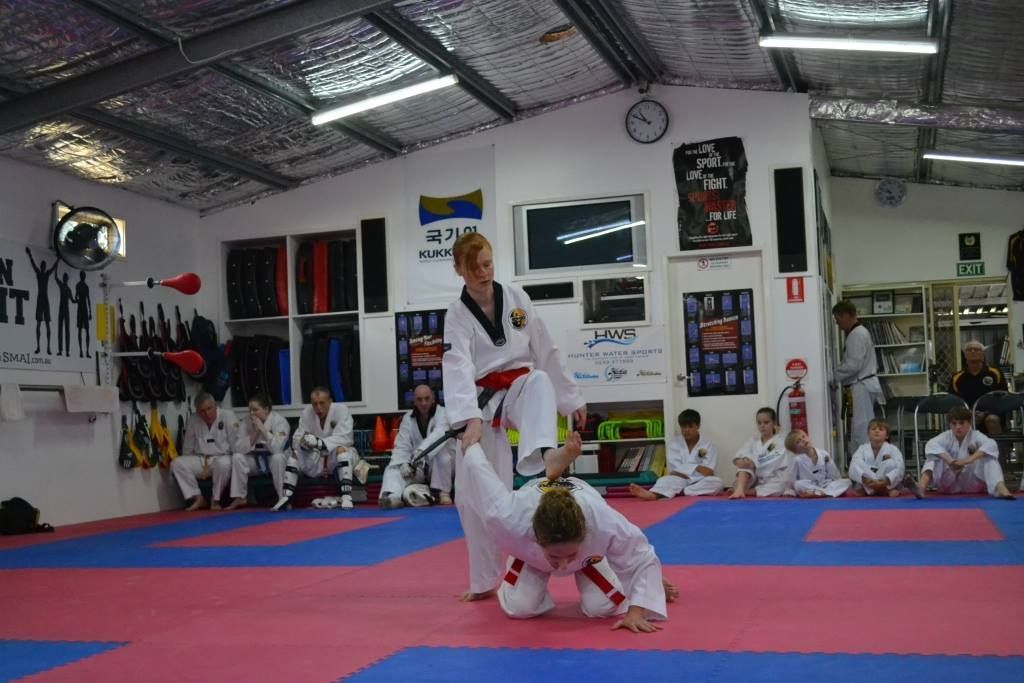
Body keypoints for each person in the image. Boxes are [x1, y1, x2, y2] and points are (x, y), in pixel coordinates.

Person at [442, 232, 586, 602]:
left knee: (538, 379)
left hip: (520, 391)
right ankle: (484, 580)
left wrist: (570, 399)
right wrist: (468, 418)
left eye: (487, 264)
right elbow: (456, 366)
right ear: (459, 269)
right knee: (473, 495)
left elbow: (545, 348)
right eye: (474, 268)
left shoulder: (517, 299)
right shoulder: (457, 316)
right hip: (482, 403)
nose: (483, 273)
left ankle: (540, 457)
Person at [459, 434, 677, 632]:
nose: (563, 566)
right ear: (537, 538)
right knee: (520, 608)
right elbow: (481, 473)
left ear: (585, 534)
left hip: (588, 556)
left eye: (569, 555)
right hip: (530, 553)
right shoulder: (508, 517)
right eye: (555, 556)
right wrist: (471, 443)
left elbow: (640, 555)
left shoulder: (601, 521)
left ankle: (623, 577)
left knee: (602, 606)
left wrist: (638, 608)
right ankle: (546, 554)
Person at [273, 386, 364, 511]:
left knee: (341, 450)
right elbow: (297, 439)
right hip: (317, 459)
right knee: (295, 454)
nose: (318, 408)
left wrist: (318, 442)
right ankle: (286, 497)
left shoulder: (341, 410)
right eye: (315, 404)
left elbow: (345, 438)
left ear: (330, 401)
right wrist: (304, 443)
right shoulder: (307, 413)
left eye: (322, 403)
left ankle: (346, 497)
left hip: (338, 457)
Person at [913, 406, 1015, 500]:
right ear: (950, 424)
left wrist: (968, 460)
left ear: (969, 423)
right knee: (934, 457)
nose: (958, 427)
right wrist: (949, 461)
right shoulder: (945, 437)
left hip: (972, 483)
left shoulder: (976, 436)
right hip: (949, 484)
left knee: (989, 456)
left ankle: (1000, 487)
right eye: (954, 423)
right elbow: (930, 444)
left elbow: (991, 445)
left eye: (962, 423)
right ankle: (921, 487)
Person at [379, 384, 455, 509]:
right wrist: (403, 463)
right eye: (419, 399)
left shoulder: (443, 414)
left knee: (441, 453)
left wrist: (418, 454)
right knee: (393, 468)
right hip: (419, 466)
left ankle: (443, 492)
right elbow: (402, 445)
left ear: (433, 399)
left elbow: (438, 436)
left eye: (427, 398)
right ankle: (392, 496)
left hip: (443, 467)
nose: (423, 403)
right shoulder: (408, 419)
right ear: (414, 401)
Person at [629, 409, 722, 500]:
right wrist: (697, 467)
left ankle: (682, 491)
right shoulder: (675, 443)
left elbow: (708, 471)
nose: (686, 430)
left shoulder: (707, 445)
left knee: (717, 483)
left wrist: (689, 470)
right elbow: (675, 469)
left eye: (690, 426)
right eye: (683, 427)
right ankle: (652, 495)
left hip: (700, 481)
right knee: (664, 480)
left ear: (698, 426)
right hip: (679, 479)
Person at [170, 393, 239, 511]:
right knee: (177, 463)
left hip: (223, 457)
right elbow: (188, 448)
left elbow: (236, 445)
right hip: (202, 459)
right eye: (202, 411)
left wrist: (236, 462)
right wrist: (192, 466)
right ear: (197, 411)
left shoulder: (228, 416)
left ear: (215, 405)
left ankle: (215, 499)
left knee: (222, 464)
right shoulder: (193, 419)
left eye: (209, 408)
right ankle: (197, 497)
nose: (207, 413)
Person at [227, 393, 292, 510]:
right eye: (250, 410)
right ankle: (240, 497)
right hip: (256, 460)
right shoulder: (246, 422)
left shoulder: (280, 421)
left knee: (278, 457)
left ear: (266, 409)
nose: (251, 413)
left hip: (275, 460)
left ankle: (283, 498)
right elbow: (237, 448)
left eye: (255, 410)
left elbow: (277, 449)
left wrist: (263, 429)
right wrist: (254, 433)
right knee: (237, 457)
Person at [832, 300, 882, 451]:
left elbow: (853, 365)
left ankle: (866, 465)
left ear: (846, 315)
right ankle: (865, 463)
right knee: (862, 427)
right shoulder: (859, 332)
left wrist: (833, 376)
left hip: (861, 385)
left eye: (838, 319)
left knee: (862, 429)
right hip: (863, 384)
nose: (837, 324)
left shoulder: (856, 334)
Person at [729, 407, 792, 499]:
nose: (762, 426)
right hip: (756, 478)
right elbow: (740, 453)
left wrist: (753, 462)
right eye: (759, 423)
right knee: (744, 465)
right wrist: (741, 460)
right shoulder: (753, 441)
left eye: (766, 422)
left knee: (782, 486)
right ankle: (740, 490)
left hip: (772, 478)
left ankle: (746, 491)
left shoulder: (780, 442)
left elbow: (772, 461)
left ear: (774, 423)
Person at [949, 340, 1008, 434]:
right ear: (965, 355)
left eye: (976, 349)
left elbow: (1003, 399)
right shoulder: (957, 378)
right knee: (964, 423)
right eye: (969, 350)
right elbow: (954, 403)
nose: (973, 351)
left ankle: (998, 448)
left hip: (991, 414)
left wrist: (985, 414)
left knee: (991, 420)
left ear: (983, 354)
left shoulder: (995, 373)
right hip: (967, 415)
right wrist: (969, 414)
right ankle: (965, 448)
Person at [848, 419, 905, 496]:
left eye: (881, 429)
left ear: (887, 436)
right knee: (856, 463)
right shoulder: (862, 448)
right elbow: (854, 467)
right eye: (873, 429)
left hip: (884, 482)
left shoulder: (893, 449)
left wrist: (883, 483)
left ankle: (870, 490)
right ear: (868, 434)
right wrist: (867, 481)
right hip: (867, 482)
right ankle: (883, 490)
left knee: (892, 463)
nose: (877, 431)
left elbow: (900, 468)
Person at [787, 429, 851, 498]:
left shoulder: (824, 454)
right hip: (810, 485)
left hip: (826, 485)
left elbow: (834, 474)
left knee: (847, 481)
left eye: (804, 436)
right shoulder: (797, 460)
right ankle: (827, 493)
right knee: (798, 484)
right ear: (795, 450)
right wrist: (790, 490)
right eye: (798, 441)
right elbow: (791, 479)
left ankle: (819, 493)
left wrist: (837, 482)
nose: (803, 440)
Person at [25, 247, 58, 355]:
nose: (43, 267)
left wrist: (58, 260)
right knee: (39, 324)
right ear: (41, 267)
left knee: (47, 324)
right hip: (41, 299)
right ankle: (39, 346)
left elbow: (53, 268)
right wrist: (29, 254)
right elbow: (34, 264)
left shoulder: (45, 274)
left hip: (44, 299)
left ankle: (48, 347)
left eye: (43, 266)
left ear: (44, 267)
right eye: (42, 266)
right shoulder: (40, 273)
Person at [54, 270, 73, 357]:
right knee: (60, 330)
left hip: (65, 310)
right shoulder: (62, 286)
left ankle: (67, 351)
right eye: (64, 278)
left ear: (67, 279)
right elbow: (56, 277)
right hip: (62, 309)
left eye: (66, 278)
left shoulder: (68, 289)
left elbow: (72, 300)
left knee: (66, 330)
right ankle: (61, 350)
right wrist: (56, 266)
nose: (65, 279)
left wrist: (77, 300)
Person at [74, 270, 92, 358]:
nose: (82, 276)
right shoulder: (78, 285)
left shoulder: (86, 286)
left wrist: (90, 312)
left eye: (83, 275)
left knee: (87, 331)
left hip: (84, 308)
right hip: (81, 308)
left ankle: (87, 351)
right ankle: (81, 351)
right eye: (82, 275)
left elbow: (88, 299)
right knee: (80, 330)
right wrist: (76, 300)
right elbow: (76, 296)